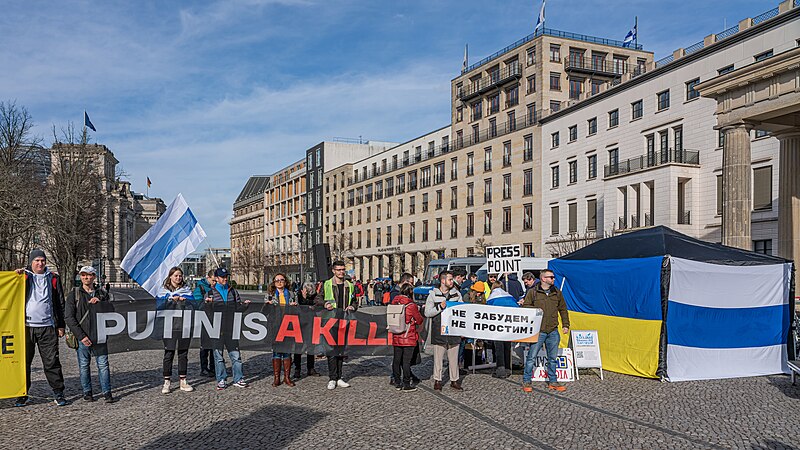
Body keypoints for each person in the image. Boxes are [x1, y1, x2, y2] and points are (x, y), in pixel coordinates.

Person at [14, 249, 68, 407]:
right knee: (24, 362)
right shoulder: (23, 276)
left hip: (48, 327)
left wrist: (61, 325)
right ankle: (22, 394)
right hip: (26, 327)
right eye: (37, 260)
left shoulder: (53, 278)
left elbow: (59, 303)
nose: (40, 263)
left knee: (52, 362)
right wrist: (14, 276)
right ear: (31, 262)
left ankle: (58, 392)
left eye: (42, 260)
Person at [65, 266, 115, 403]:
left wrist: (101, 303)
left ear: (94, 277)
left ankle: (107, 392)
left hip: (100, 335)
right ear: (80, 277)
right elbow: (69, 317)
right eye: (84, 275)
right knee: (84, 365)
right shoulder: (74, 294)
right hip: (83, 336)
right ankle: (87, 392)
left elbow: (112, 312)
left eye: (89, 275)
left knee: (103, 365)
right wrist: (81, 336)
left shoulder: (102, 294)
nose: (86, 278)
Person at [521, 269, 570, 393]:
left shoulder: (557, 292)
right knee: (531, 357)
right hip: (538, 330)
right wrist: (536, 310)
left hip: (553, 330)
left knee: (552, 358)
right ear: (543, 278)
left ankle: (553, 381)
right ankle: (527, 380)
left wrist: (566, 324)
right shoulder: (533, 292)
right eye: (551, 277)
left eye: (553, 277)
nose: (553, 279)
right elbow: (526, 307)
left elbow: (563, 309)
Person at [209, 267, 251, 390]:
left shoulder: (233, 292)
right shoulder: (210, 293)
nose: (225, 279)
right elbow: (204, 311)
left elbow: (238, 308)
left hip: (231, 327)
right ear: (216, 279)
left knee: (236, 355)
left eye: (226, 276)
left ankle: (238, 378)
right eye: (222, 277)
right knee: (218, 356)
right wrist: (207, 304)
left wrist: (245, 306)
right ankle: (221, 379)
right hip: (216, 328)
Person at [155, 267, 196, 394]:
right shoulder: (163, 291)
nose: (178, 278)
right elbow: (159, 306)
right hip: (168, 326)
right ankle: (167, 381)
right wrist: (171, 300)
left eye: (180, 276)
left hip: (184, 325)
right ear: (170, 277)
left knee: (183, 353)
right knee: (169, 353)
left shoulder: (187, 290)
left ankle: (183, 380)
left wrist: (186, 301)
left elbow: (194, 304)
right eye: (176, 276)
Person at [424, 270, 464, 391]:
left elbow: (462, 311)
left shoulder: (457, 294)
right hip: (439, 330)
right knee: (438, 358)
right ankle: (437, 380)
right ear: (443, 280)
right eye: (450, 279)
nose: (452, 281)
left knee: (453, 358)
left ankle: (454, 380)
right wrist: (439, 307)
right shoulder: (433, 294)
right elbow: (427, 312)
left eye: (452, 279)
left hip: (453, 330)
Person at [322, 260, 357, 390]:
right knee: (331, 350)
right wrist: (325, 304)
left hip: (344, 321)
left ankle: (339, 377)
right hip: (330, 321)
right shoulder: (327, 284)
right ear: (333, 271)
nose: (341, 272)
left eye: (343, 269)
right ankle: (332, 377)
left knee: (341, 350)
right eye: (338, 270)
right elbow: (318, 299)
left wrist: (352, 307)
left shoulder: (350, 285)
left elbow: (354, 301)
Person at [390, 284, 424, 392]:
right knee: (406, 361)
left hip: (396, 335)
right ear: (410, 292)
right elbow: (419, 320)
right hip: (408, 336)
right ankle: (406, 384)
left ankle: (397, 382)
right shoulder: (411, 305)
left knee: (396, 360)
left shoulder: (394, 302)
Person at [267, 273, 297, 387]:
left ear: (286, 282)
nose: (279, 282)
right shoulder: (270, 294)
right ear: (274, 283)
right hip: (275, 325)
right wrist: (267, 305)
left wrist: (294, 306)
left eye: (282, 280)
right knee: (276, 351)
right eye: (277, 280)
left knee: (287, 351)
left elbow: (297, 308)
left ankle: (287, 377)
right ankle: (276, 378)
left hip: (288, 325)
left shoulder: (291, 294)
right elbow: (264, 309)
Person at [486, 282, 520, 379]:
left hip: (498, 326)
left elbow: (488, 311)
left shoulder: (492, 298)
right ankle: (508, 369)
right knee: (507, 347)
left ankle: (500, 370)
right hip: (509, 326)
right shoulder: (509, 296)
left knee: (499, 348)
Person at [293, 281, 321, 378]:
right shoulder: (298, 295)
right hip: (300, 322)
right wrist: (305, 300)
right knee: (298, 346)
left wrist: (307, 303)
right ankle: (297, 368)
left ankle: (311, 368)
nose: (309, 291)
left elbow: (316, 304)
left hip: (311, 323)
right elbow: (302, 305)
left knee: (311, 346)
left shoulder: (314, 295)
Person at [193, 270, 217, 377]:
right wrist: (205, 303)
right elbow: (196, 304)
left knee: (215, 345)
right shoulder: (200, 288)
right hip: (204, 318)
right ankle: (204, 368)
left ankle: (213, 367)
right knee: (205, 345)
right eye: (213, 280)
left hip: (216, 318)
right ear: (208, 277)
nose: (214, 283)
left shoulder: (218, 288)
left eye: (216, 281)